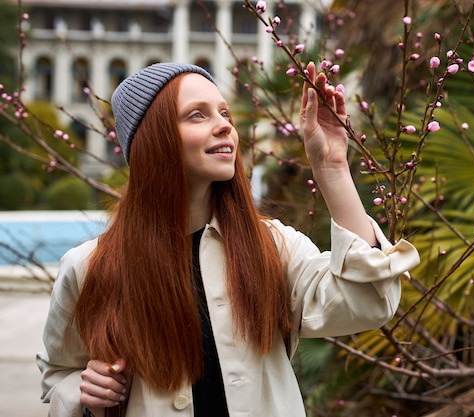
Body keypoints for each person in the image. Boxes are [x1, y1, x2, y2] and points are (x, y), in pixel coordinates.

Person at [36, 62, 420, 417]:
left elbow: (367, 302)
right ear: (153, 139)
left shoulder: (273, 247)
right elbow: (58, 376)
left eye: (225, 113)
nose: (224, 126)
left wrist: (332, 166)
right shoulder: (90, 267)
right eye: (197, 115)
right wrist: (83, 390)